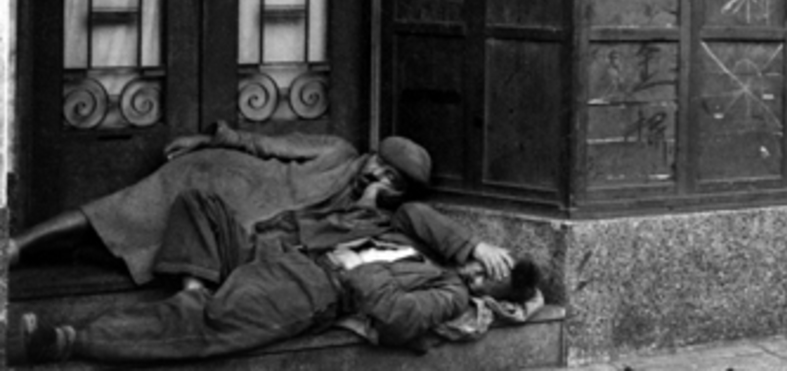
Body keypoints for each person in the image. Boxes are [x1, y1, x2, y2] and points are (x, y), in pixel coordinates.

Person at [22, 186, 542, 364]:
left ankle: (70, 340)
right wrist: (472, 243)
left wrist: (357, 270)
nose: (475, 274)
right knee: (199, 204)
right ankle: (197, 289)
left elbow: (397, 318)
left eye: (485, 280)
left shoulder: (448, 292)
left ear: (488, 295)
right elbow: (411, 211)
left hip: (310, 288)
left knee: (212, 323)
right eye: (482, 265)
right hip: (275, 252)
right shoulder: (415, 241)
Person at [8, 121, 433, 286]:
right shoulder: (338, 151)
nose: (377, 175)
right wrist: (209, 140)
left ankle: (69, 251)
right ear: (372, 155)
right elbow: (266, 144)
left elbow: (335, 240)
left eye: (391, 180)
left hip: (245, 225)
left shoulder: (375, 215)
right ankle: (16, 246)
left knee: (154, 245)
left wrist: (368, 200)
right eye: (380, 165)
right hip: (233, 177)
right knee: (125, 208)